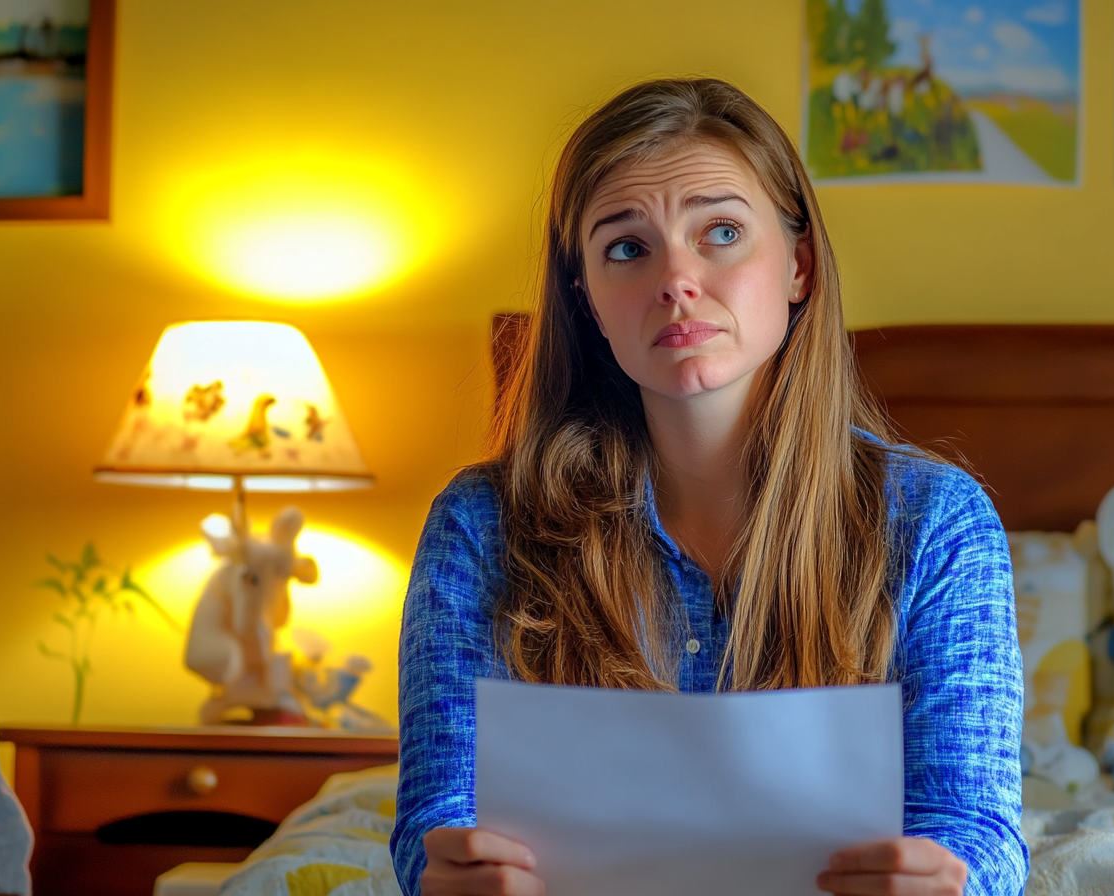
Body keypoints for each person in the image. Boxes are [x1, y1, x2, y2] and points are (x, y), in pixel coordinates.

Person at [392, 77, 1027, 896]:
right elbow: (433, 817)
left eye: (720, 231)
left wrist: (950, 882)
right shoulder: (481, 526)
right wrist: (450, 873)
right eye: (627, 248)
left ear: (798, 266)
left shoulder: (936, 523)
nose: (676, 279)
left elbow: (977, 831)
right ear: (586, 301)